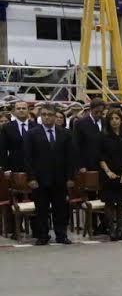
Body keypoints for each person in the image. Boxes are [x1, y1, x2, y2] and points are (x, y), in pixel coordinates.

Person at [23, 103, 78, 245]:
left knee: (61, 209)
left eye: (50, 115)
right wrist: (31, 178)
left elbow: (71, 157)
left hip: (60, 179)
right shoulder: (32, 134)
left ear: (55, 116)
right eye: (44, 115)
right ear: (41, 116)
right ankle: (43, 235)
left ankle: (61, 235)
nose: (47, 117)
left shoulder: (65, 133)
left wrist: (71, 177)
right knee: (42, 209)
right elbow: (27, 158)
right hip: (40, 179)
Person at [97, 108, 122, 241]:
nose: (114, 121)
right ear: (108, 121)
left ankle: (119, 229)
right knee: (109, 203)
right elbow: (100, 156)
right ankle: (111, 230)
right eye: (112, 119)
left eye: (117, 118)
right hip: (108, 174)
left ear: (121, 120)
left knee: (121, 203)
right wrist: (108, 171)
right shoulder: (103, 136)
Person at [2, 100, 32, 173]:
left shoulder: (36, 126)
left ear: (28, 110)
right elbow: (3, 150)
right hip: (14, 167)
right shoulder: (7, 127)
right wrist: (5, 168)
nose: (21, 110)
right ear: (14, 111)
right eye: (18, 108)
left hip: (33, 167)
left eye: (23, 108)